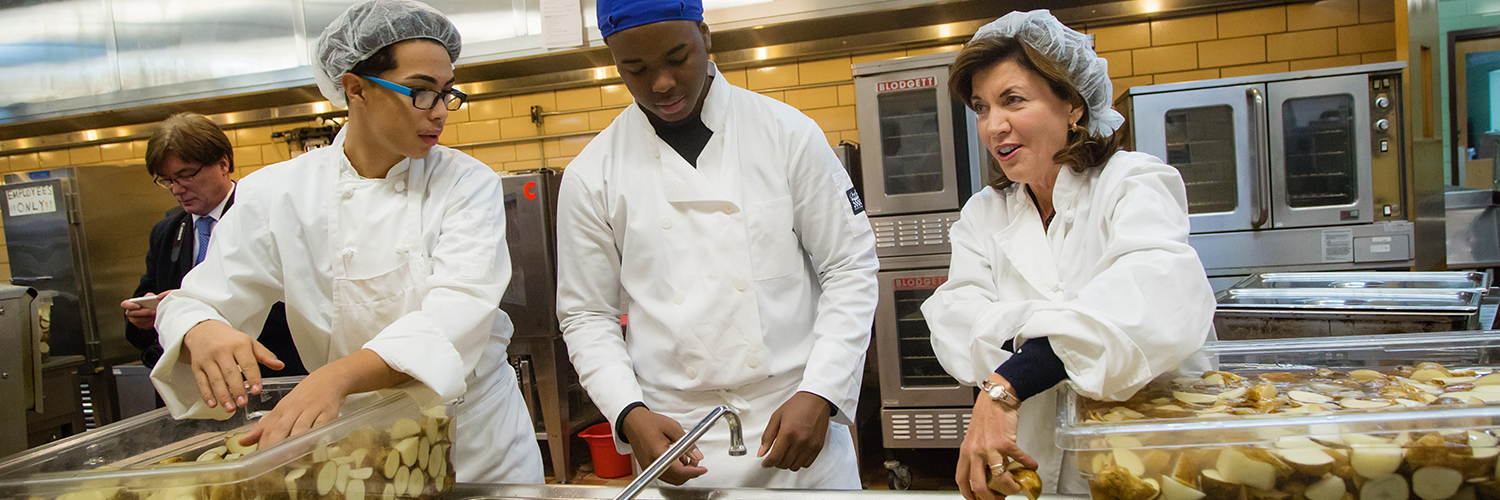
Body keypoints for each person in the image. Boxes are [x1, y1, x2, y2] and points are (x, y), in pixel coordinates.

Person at [148, 0, 543, 484]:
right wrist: (202, 328)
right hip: (357, 447)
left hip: (478, 439)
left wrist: (336, 378)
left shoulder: (466, 183)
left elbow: (456, 314)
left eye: (446, 93)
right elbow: (194, 300)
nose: (439, 112)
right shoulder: (277, 192)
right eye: (420, 92)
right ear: (355, 89)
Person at [554, 0, 878, 489]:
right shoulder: (592, 174)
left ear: (706, 37)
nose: (661, 83)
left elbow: (849, 267)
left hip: (796, 419)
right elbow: (585, 314)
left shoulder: (786, 134)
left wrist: (823, 391)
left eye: (677, 57)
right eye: (635, 69)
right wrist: (628, 413)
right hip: (675, 435)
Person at [920, 10, 1216, 498]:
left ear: (1073, 105)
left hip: (1150, 458)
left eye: (1013, 100)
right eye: (981, 107)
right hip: (1028, 460)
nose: (995, 126)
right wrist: (1078, 324)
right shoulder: (982, 215)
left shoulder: (1133, 183)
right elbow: (957, 327)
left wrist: (1007, 381)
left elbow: (1151, 303)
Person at [121, 113, 306, 382]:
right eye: (167, 180)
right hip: (200, 385)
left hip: (272, 377)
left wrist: (205, 304)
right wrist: (150, 316)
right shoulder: (167, 232)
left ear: (223, 163)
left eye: (186, 176)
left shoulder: (269, 217)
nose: (177, 189)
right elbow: (145, 306)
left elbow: (300, 301)